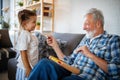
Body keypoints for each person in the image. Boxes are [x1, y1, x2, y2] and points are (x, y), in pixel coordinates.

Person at [28, 8, 120, 80]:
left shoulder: (112, 40)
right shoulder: (85, 40)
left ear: (98, 24)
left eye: (87, 24)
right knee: (44, 63)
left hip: (86, 76)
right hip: (70, 70)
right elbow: (68, 62)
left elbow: (117, 70)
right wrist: (55, 45)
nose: (83, 28)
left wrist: (90, 55)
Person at [15, 9, 39, 80]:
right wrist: (28, 68)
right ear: (25, 23)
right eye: (33, 22)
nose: (35, 24)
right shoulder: (24, 35)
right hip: (25, 67)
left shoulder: (30, 34)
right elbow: (23, 52)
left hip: (31, 66)